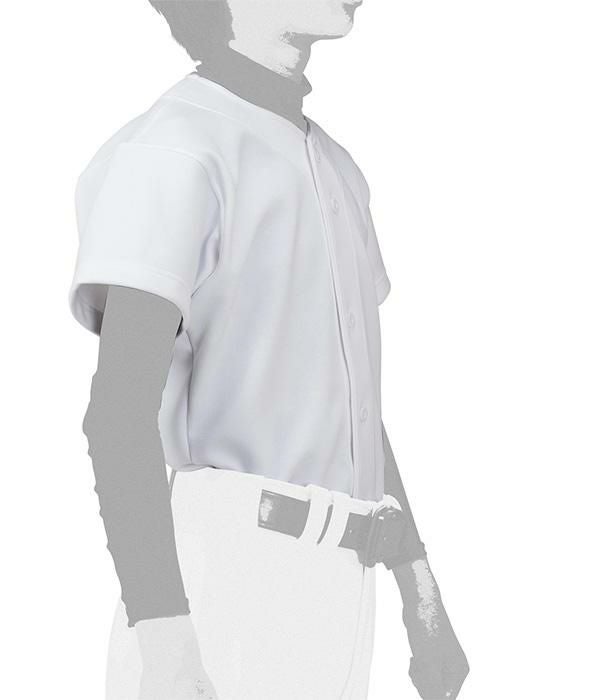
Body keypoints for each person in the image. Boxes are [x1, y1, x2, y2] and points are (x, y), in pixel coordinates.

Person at [69, 1, 470, 697]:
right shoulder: (172, 148)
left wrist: (419, 584)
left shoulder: (338, 168)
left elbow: (349, 407)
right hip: (222, 583)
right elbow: (116, 418)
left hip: (344, 584)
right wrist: (165, 642)